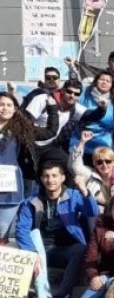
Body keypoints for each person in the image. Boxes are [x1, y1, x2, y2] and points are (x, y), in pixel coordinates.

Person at [16, 161, 99, 298]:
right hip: (41, 249)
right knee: (18, 253)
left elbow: (92, 211)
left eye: (54, 175)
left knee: (81, 250)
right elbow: (22, 229)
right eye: (46, 176)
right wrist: (32, 252)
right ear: (41, 178)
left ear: (62, 178)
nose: (50, 180)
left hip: (66, 249)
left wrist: (84, 191)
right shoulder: (31, 201)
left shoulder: (73, 196)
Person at [0, 92, 58, 240]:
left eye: (9, 105)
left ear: (15, 109)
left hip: (9, 189)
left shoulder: (23, 129)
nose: (4, 108)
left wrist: (52, 108)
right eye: (1, 104)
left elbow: (50, 131)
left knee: (2, 231)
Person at [69, 71, 114, 164]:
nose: (104, 82)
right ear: (95, 81)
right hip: (80, 141)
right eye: (102, 79)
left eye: (108, 81)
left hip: (104, 144)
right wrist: (72, 68)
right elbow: (73, 86)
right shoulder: (85, 93)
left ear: (112, 85)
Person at [70, 131, 114, 212]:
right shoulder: (91, 174)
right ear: (94, 163)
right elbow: (75, 166)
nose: (104, 165)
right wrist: (82, 142)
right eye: (99, 162)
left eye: (108, 161)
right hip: (93, 211)